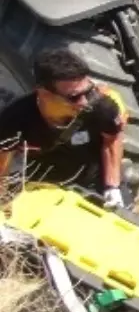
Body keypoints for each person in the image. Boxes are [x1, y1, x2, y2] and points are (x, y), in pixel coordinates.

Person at [0, 50, 128, 207]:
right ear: (44, 94)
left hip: (96, 178)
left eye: (87, 92)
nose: (84, 103)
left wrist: (112, 187)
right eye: (73, 97)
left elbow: (112, 139)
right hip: (43, 185)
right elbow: (2, 164)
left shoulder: (102, 106)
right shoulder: (14, 119)